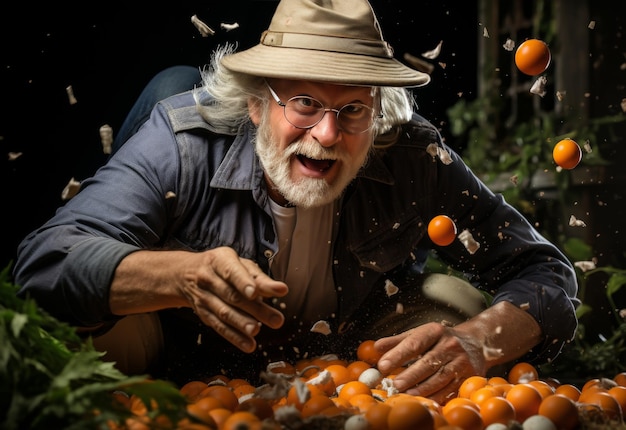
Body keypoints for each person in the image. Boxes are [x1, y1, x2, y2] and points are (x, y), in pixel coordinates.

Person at [13, 0, 579, 405]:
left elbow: (545, 271)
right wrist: (180, 274)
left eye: (353, 109)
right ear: (258, 104)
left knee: (452, 301)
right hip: (178, 361)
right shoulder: (183, 143)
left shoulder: (412, 156)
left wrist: (479, 340)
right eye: (304, 101)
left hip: (342, 365)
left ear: (376, 109)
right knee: (82, 326)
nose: (328, 134)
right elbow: (42, 266)